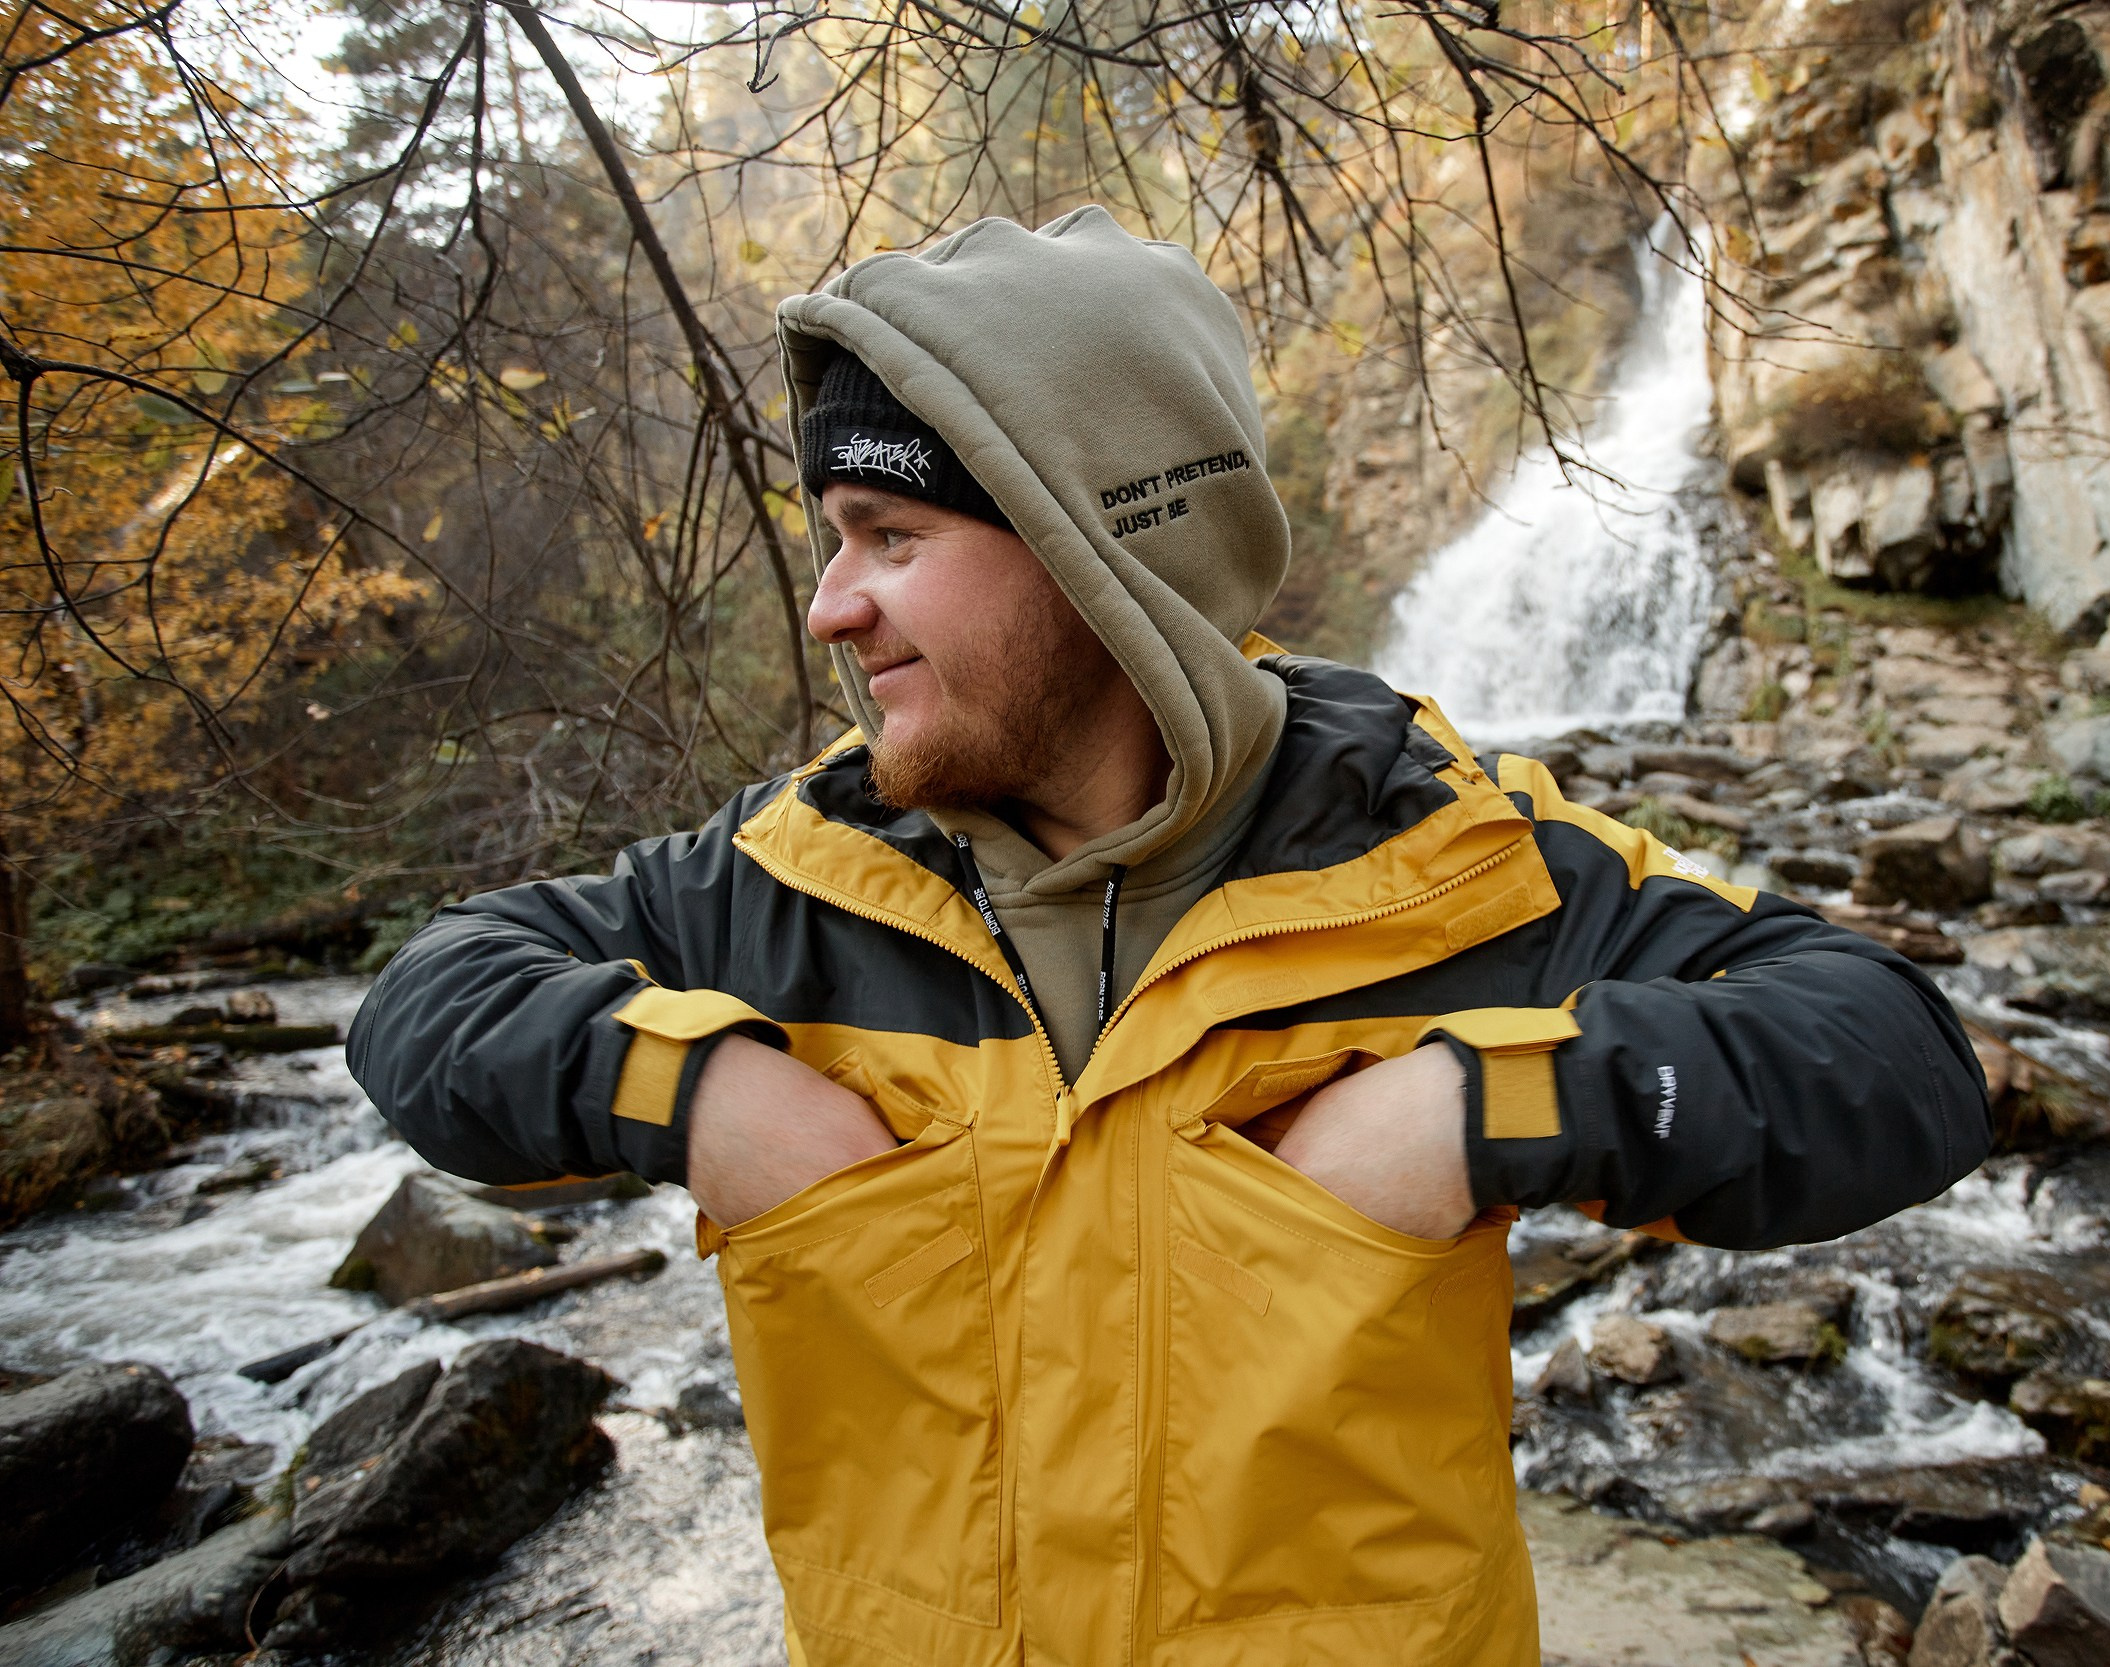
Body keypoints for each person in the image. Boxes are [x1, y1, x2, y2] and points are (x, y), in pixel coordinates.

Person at [347, 206, 1992, 1667]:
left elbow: (1895, 1058)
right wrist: (693, 1094)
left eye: (891, 538)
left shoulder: (1462, 865)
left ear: (1095, 547)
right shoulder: (777, 890)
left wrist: (1480, 1113)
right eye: (834, 543)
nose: (833, 607)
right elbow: (428, 1001)